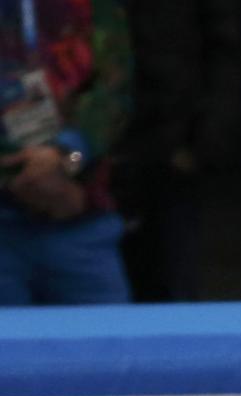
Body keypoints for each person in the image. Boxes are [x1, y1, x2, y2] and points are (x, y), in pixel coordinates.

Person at [0, 0, 132, 305]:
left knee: (107, 348)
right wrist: (24, 175)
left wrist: (67, 158)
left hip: (78, 221)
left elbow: (115, 89)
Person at [116, 0, 241, 302]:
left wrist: (202, 146)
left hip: (169, 156)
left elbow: (225, 55)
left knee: (170, 288)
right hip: (90, 164)